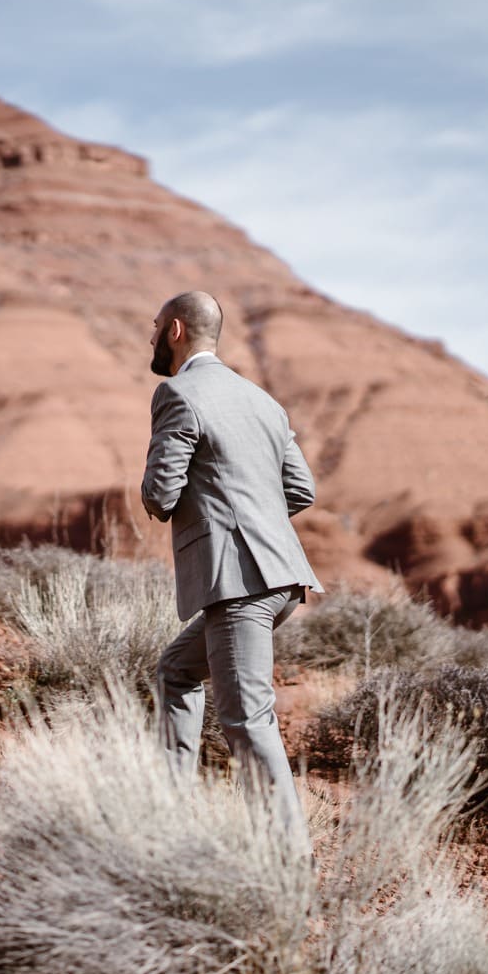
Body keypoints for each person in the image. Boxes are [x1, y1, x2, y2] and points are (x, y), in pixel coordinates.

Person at [141, 290, 323, 837]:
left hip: (239, 582)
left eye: (154, 328)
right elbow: (302, 489)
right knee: (176, 671)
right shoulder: (263, 401)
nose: (150, 338)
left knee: (248, 718)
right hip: (283, 576)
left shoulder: (176, 393)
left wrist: (203, 513)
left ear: (175, 331)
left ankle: (290, 858)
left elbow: (160, 493)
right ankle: (168, 811)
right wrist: (254, 517)